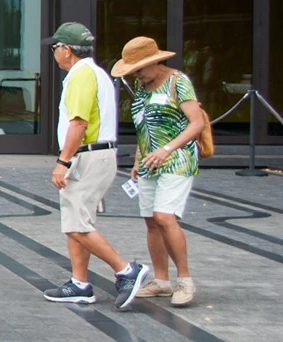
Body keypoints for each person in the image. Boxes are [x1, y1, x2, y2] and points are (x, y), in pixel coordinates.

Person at [41, 22, 149, 310]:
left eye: (55, 48)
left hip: (88, 155)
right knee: (77, 221)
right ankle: (79, 283)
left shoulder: (81, 76)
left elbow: (79, 123)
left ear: (66, 50)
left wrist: (62, 161)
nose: (54, 53)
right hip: (95, 154)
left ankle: (126, 271)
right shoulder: (95, 73)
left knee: (77, 225)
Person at [112, 36, 204, 307]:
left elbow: (196, 123)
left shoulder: (178, 81)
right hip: (151, 162)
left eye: (140, 68)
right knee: (151, 220)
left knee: (165, 217)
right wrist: (139, 159)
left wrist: (168, 149)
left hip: (177, 159)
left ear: (155, 61)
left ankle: (184, 279)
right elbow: (144, 126)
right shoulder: (142, 86)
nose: (137, 74)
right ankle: (162, 281)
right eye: (133, 70)